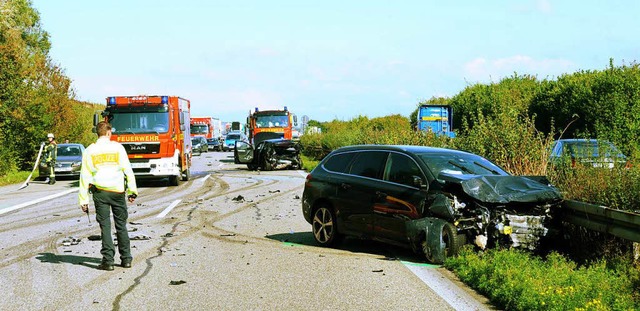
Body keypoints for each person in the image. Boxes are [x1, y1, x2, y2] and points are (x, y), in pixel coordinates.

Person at [78, 121, 138, 271]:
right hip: (118, 192)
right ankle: (126, 259)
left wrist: (83, 200)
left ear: (97, 133)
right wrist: (132, 191)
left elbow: (84, 176)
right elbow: (128, 170)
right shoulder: (118, 148)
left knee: (105, 227)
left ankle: (108, 261)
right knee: (121, 226)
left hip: (100, 193)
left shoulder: (90, 150)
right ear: (109, 133)